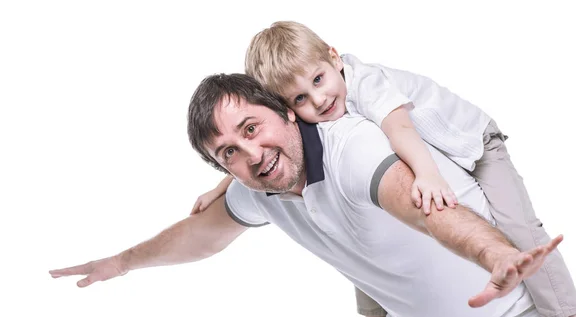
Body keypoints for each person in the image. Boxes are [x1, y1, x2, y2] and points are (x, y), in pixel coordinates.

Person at [51, 73, 564, 317]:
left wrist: (497, 254)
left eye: (251, 128)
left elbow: (429, 211)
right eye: (228, 153)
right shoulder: (260, 188)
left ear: (287, 112)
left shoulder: (354, 151)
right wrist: (121, 262)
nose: (250, 154)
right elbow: (198, 238)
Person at [191, 21, 576, 317]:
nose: (320, 100)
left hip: (474, 144)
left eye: (320, 80)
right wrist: (223, 186)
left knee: (522, 231)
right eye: (301, 98)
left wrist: (426, 174)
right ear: (286, 108)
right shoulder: (311, 117)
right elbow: (260, 148)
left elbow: (401, 128)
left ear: (335, 57)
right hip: (421, 149)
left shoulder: (368, 85)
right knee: (357, 246)